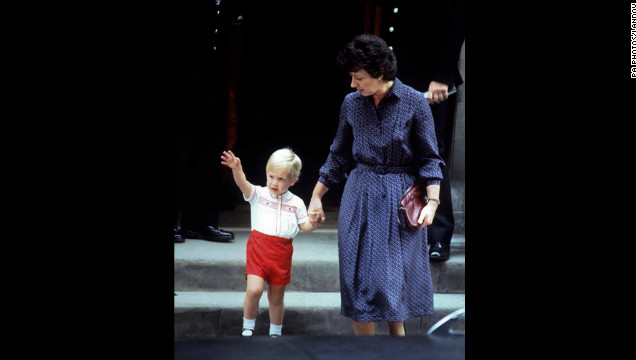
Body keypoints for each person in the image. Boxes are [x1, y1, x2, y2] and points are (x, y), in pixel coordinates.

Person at [308, 34, 444, 336]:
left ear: (381, 73)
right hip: (360, 192)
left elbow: (429, 159)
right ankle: (365, 355)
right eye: (352, 77)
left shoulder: (414, 103)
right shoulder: (351, 104)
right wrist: (316, 196)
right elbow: (338, 153)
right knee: (357, 280)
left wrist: (432, 203)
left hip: (399, 196)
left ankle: (397, 351)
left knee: (391, 282)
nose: (354, 84)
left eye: (359, 78)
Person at [379, 0, 466, 260]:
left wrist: (442, 74)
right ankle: (398, 228)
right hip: (395, 76)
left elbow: (455, 22)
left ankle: (437, 236)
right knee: (392, 149)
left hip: (429, 83)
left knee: (430, 151)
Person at [221, 148, 321, 337]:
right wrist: (236, 169)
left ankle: (275, 332)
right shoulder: (258, 194)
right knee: (254, 289)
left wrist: (314, 222)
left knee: (276, 297)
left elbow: (304, 225)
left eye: (281, 179)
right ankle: (247, 326)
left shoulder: (297, 203)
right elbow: (243, 183)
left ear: (292, 180)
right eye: (271, 176)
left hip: (282, 253)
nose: (274, 182)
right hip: (258, 248)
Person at [172, 0, 239, 243]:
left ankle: (200, 222)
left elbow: (233, 23)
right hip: (181, 77)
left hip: (214, 77)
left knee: (210, 151)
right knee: (178, 153)